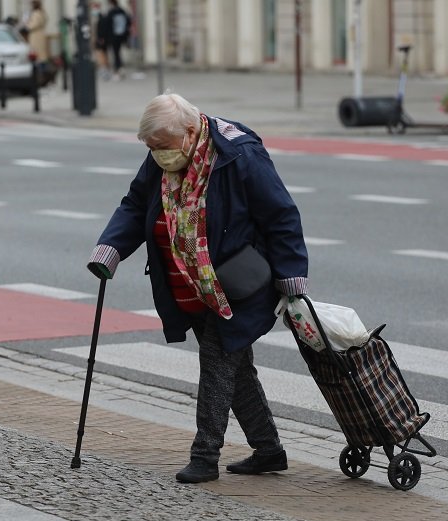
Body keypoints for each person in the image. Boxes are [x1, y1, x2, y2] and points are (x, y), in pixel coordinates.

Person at [87, 93, 309, 484]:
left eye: (162, 147)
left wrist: (291, 275)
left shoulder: (239, 155)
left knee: (218, 361)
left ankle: (205, 456)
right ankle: (269, 450)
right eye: (150, 148)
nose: (157, 156)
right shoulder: (166, 150)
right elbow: (138, 204)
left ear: (190, 133)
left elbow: (280, 214)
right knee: (236, 371)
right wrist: (111, 250)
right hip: (195, 286)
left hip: (240, 286)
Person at [23, 0, 49, 81]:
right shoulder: (41, 13)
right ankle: (43, 76)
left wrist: (27, 24)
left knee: (38, 58)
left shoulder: (36, 14)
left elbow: (33, 25)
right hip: (39, 37)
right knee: (41, 57)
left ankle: (41, 78)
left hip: (36, 37)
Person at [106, 0, 130, 80]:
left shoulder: (111, 12)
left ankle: (118, 69)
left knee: (116, 53)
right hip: (121, 36)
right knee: (118, 52)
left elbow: (108, 25)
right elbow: (128, 22)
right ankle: (120, 68)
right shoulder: (122, 11)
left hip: (114, 36)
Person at [91, 2, 110, 80]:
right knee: (101, 54)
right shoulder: (96, 17)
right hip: (98, 39)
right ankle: (103, 68)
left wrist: (101, 38)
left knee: (101, 54)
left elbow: (101, 29)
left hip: (101, 39)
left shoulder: (101, 17)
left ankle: (104, 69)